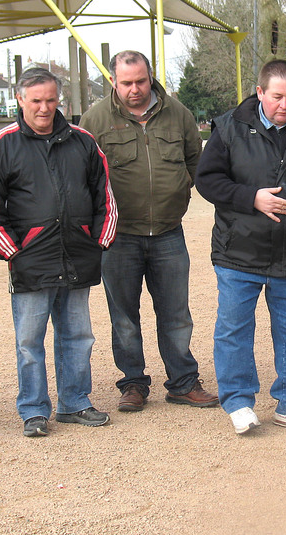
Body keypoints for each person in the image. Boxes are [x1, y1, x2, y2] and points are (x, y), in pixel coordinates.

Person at [196, 59, 286, 435]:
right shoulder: (230, 127)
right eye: (277, 96)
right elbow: (207, 180)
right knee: (234, 330)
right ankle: (239, 402)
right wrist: (252, 198)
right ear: (260, 92)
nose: (285, 105)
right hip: (238, 250)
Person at [0, 68, 118, 437]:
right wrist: (14, 253)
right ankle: (34, 410)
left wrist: (97, 241)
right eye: (36, 100)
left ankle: (75, 402)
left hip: (77, 255)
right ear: (20, 99)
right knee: (29, 341)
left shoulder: (84, 142)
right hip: (30, 261)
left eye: (51, 100)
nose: (44, 108)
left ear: (60, 100)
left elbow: (105, 196)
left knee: (78, 335)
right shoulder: (0, 145)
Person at [79, 50, 218, 413]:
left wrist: (183, 185)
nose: (135, 89)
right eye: (126, 83)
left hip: (169, 231)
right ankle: (133, 384)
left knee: (176, 313)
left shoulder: (179, 115)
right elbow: (85, 176)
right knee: (123, 315)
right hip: (119, 235)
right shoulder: (95, 119)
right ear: (113, 81)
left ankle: (183, 382)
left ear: (151, 76)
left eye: (141, 81)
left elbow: (195, 162)